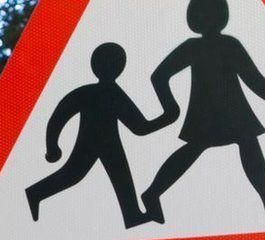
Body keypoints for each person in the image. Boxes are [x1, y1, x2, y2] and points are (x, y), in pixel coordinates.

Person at [142, 0, 265, 224]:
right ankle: (153, 192)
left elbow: (254, 80)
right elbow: (255, 81)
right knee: (213, 147)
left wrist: (170, 106)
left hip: (224, 111)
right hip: (220, 112)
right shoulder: (223, 45)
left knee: (242, 144)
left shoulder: (199, 46)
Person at [26, 42, 167, 229]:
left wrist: (53, 145)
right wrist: (168, 117)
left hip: (107, 143)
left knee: (115, 176)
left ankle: (132, 214)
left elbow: (59, 116)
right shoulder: (108, 93)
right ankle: (35, 193)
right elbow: (140, 127)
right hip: (94, 143)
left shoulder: (92, 92)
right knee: (75, 175)